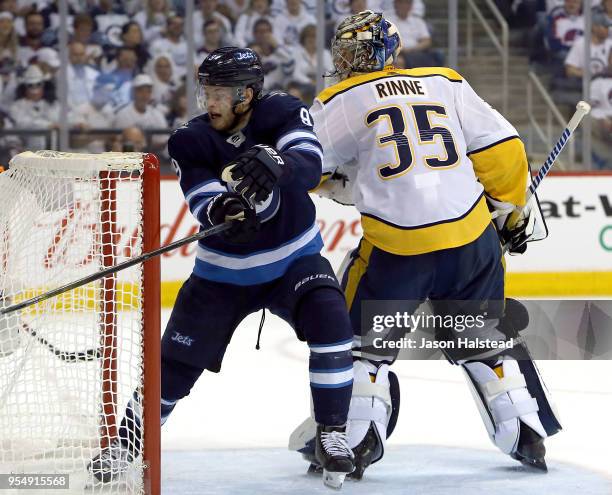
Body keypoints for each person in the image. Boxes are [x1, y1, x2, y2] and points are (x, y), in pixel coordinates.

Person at [289, 10, 562, 479]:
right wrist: (510, 210)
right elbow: (504, 152)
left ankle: (355, 440)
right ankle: (525, 432)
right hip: (472, 241)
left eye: (352, 51)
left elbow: (305, 167)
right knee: (482, 341)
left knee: (362, 347)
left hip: (398, 251)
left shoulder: (336, 100)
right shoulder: (445, 81)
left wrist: (339, 184)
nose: (346, 60)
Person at [88, 47, 357, 489]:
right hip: (223, 276)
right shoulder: (190, 139)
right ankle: (129, 441)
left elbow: (309, 167)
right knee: (175, 362)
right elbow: (201, 195)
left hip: (295, 260)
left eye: (220, 93)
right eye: (206, 92)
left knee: (332, 321)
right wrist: (223, 210)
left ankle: (332, 433)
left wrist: (282, 163)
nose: (209, 103)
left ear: (247, 95)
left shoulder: (283, 113)